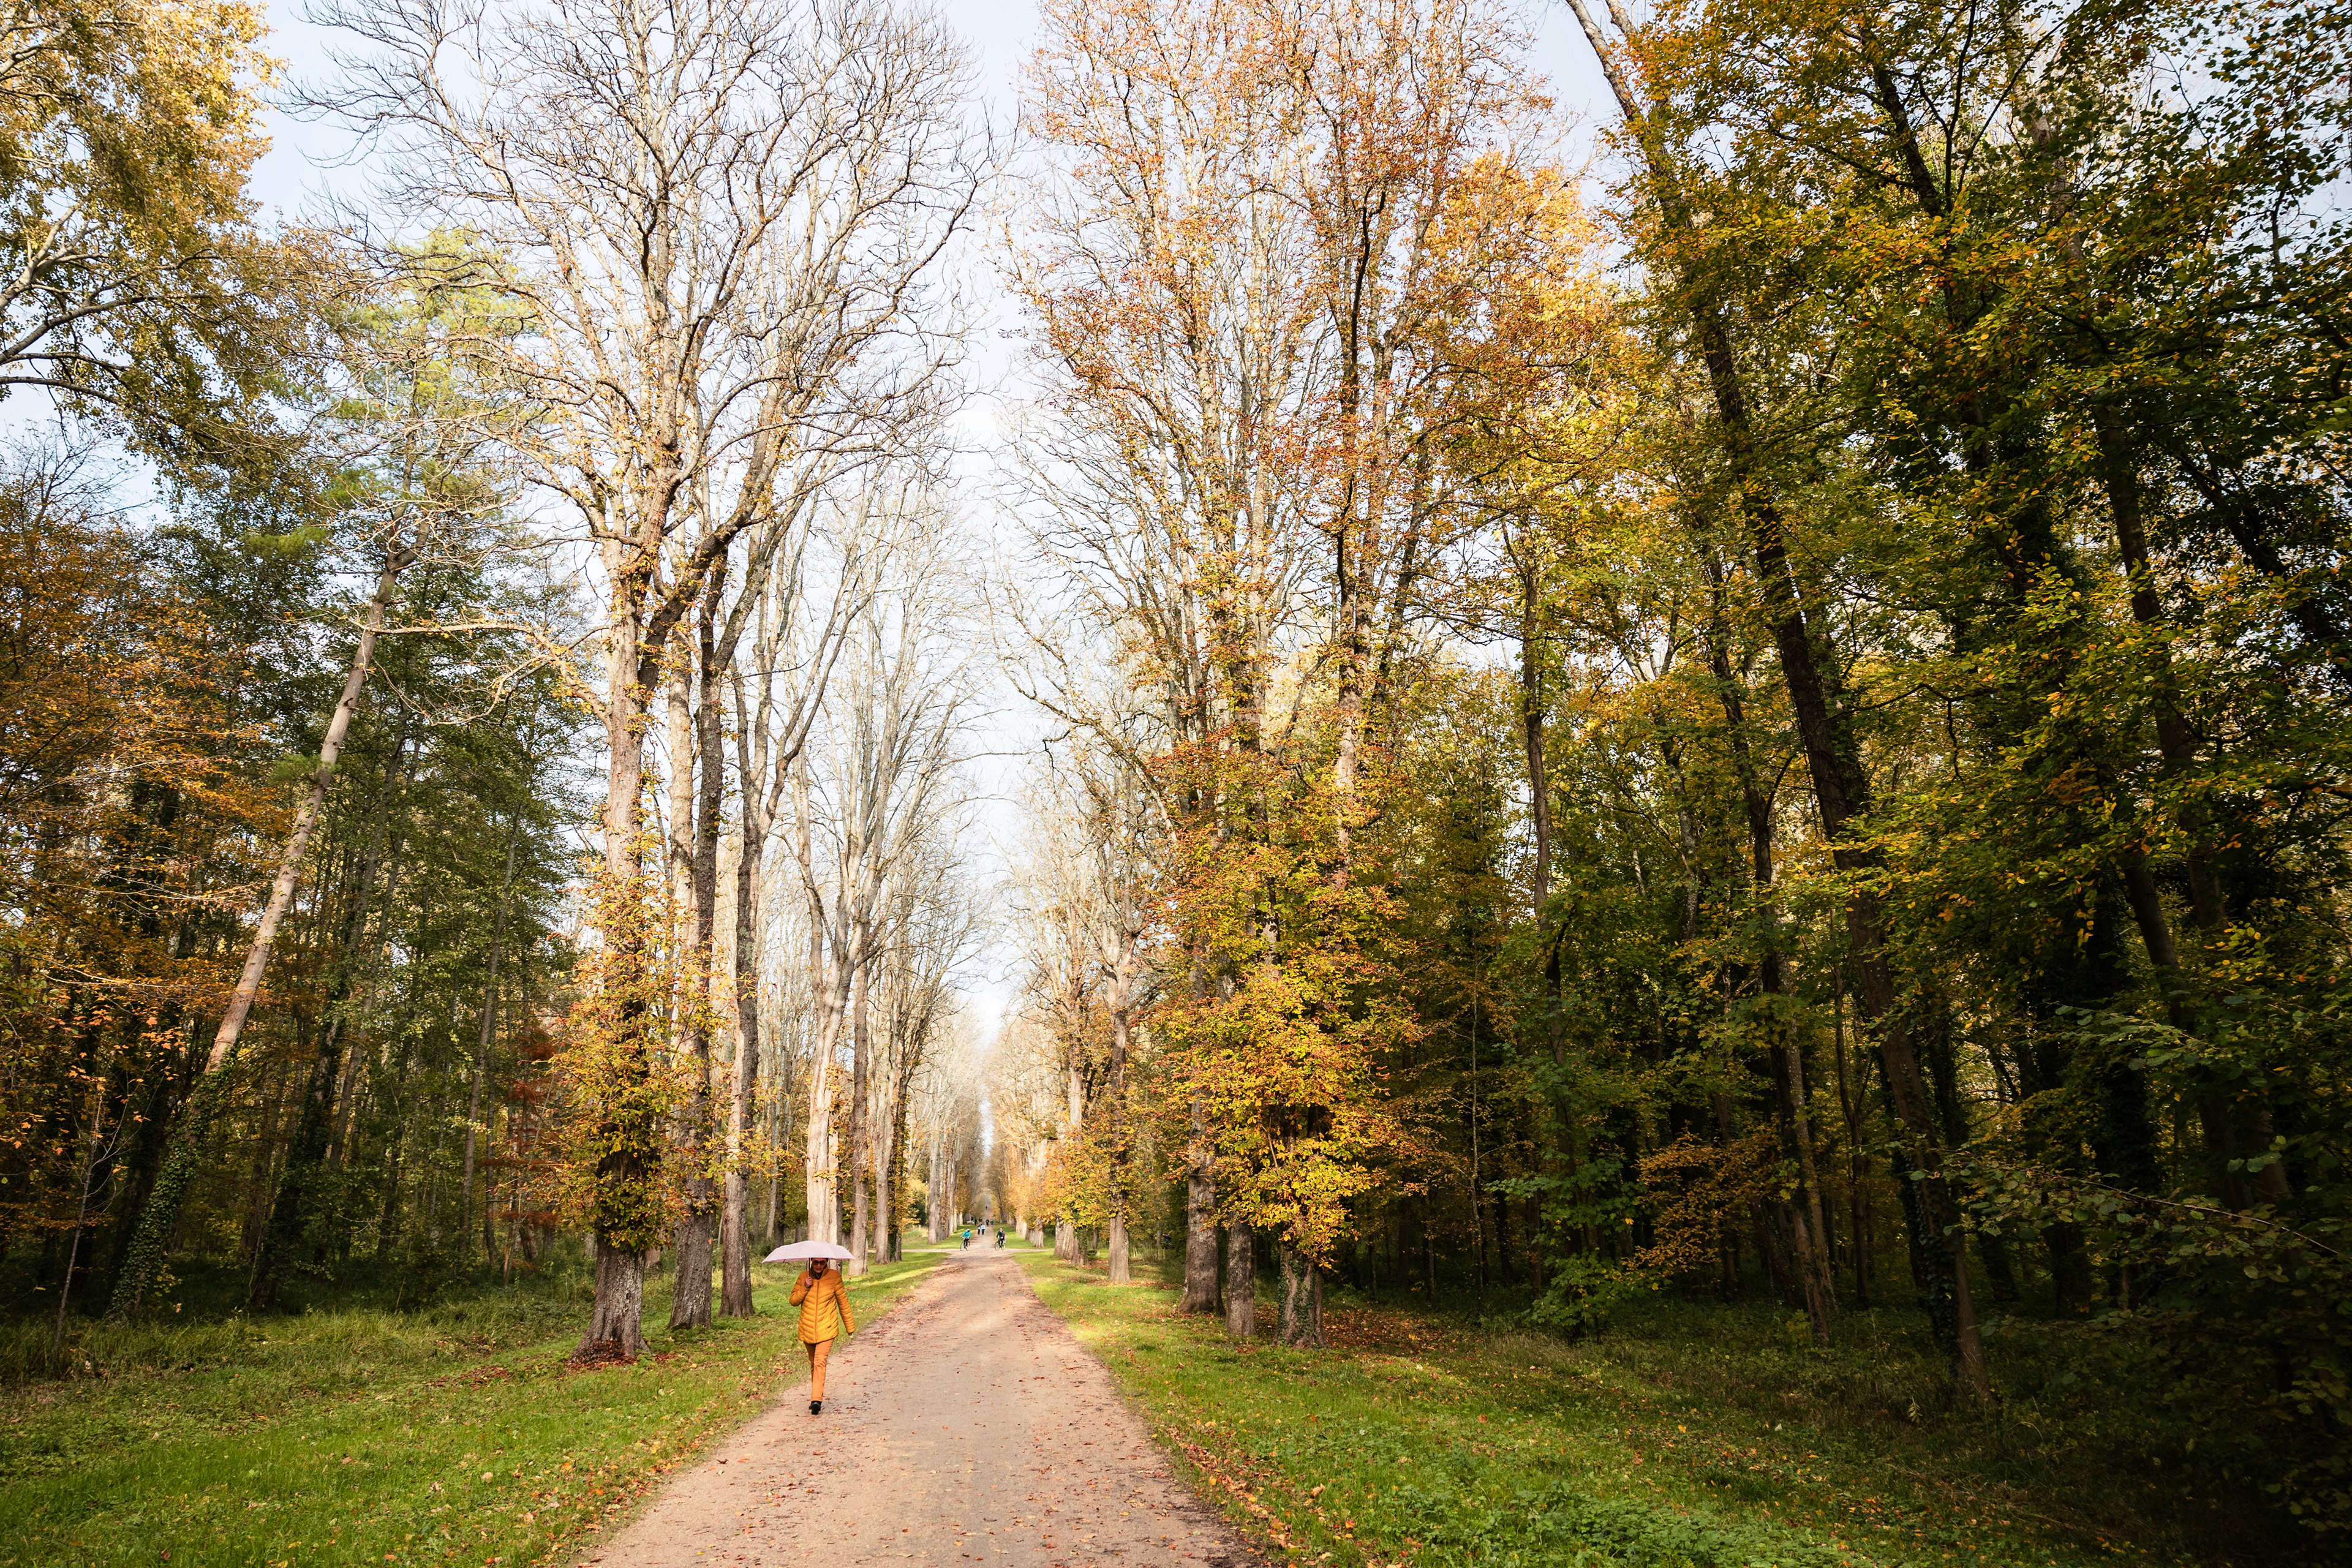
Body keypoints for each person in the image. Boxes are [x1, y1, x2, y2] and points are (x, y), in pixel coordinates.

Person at [788, 1256, 854, 1415]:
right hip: (808, 1328)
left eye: (822, 1262)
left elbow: (843, 1302)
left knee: (819, 1362)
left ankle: (816, 1400)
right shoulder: (803, 1277)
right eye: (816, 1262)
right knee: (813, 1363)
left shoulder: (834, 1277)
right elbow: (793, 1301)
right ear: (811, 1262)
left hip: (827, 1328)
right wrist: (805, 1287)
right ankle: (816, 1395)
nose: (818, 1265)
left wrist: (850, 1326)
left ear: (827, 1262)